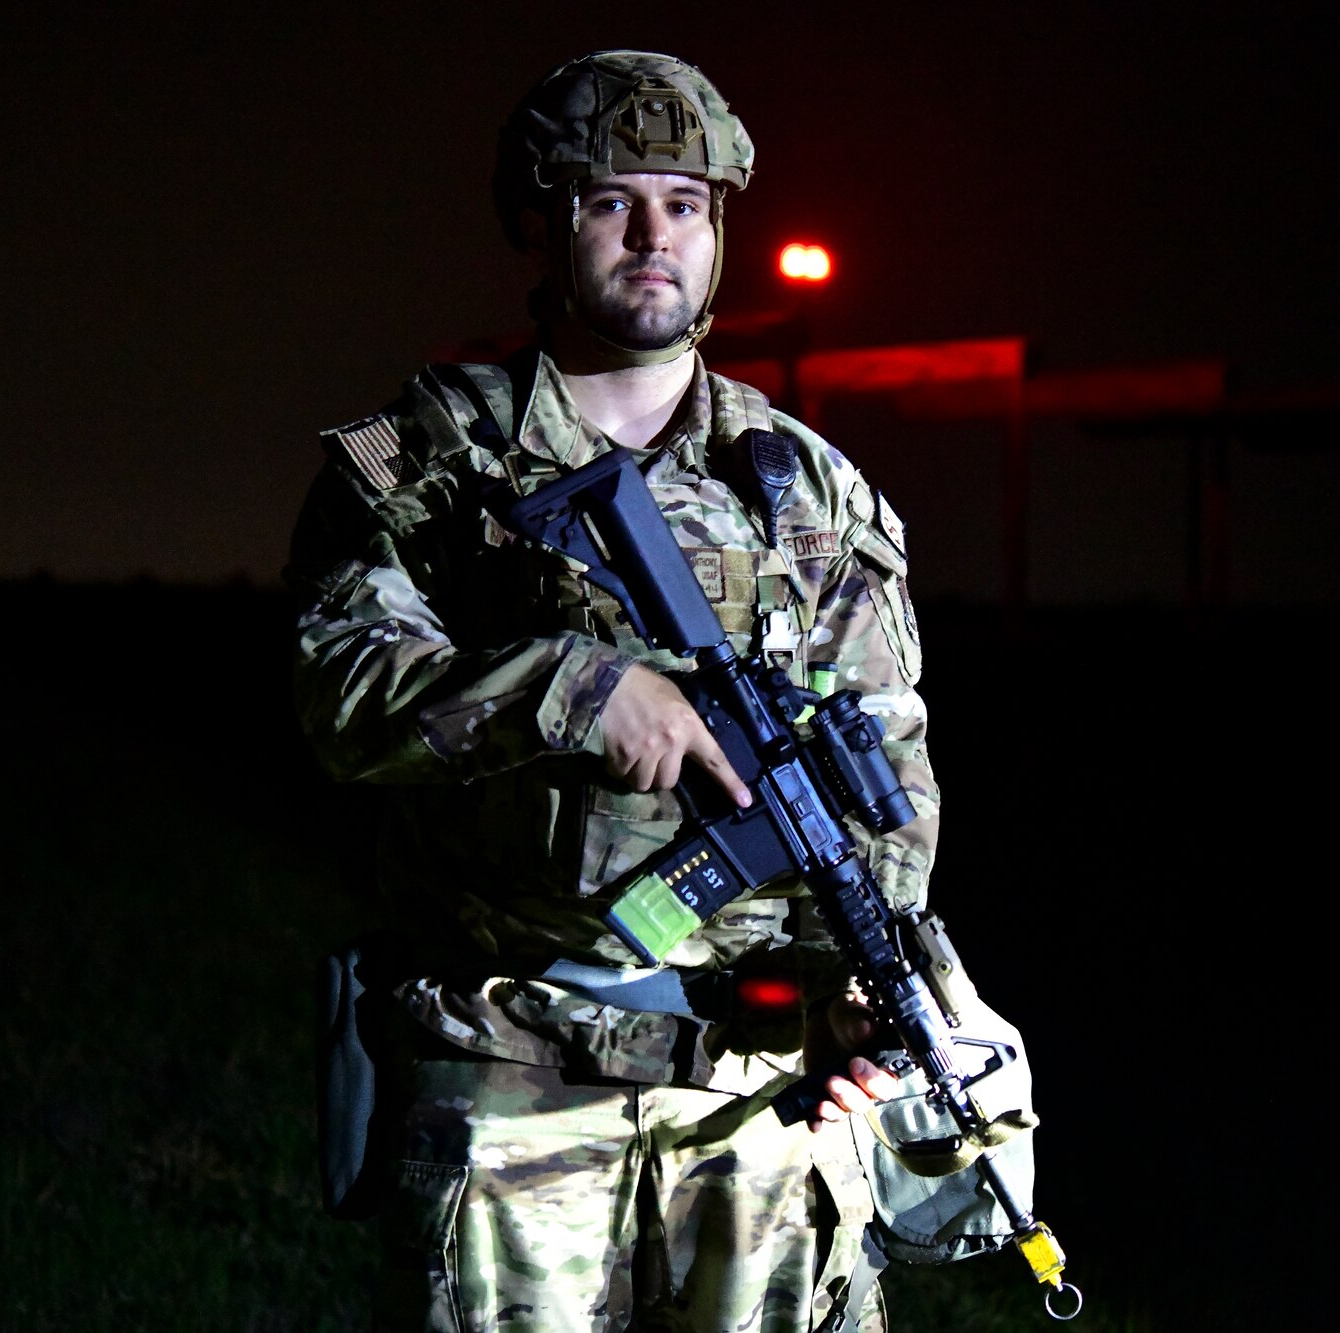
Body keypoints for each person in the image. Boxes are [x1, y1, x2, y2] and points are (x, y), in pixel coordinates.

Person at [286, 50, 936, 1333]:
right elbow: (341, 691)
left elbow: (891, 771)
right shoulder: (427, 460)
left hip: (761, 1096)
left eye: (685, 206)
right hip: (514, 1065)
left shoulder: (807, 490)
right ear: (543, 222)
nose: (654, 238)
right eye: (611, 201)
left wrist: (875, 987)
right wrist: (576, 690)